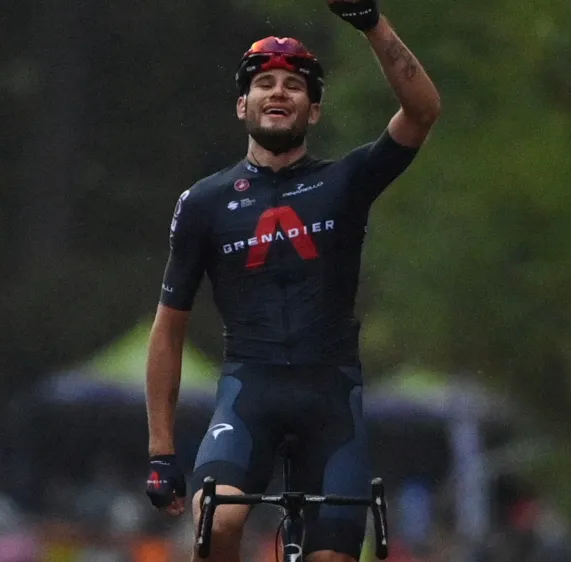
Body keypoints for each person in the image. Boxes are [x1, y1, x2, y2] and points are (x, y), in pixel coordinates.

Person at [143, 1, 441, 560]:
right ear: (242, 105)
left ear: (314, 110)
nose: (278, 92)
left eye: (294, 86)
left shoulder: (346, 182)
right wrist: (162, 452)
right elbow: (169, 328)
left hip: (331, 399)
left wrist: (371, 23)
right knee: (218, 522)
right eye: (264, 83)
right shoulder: (204, 202)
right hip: (248, 394)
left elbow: (422, 111)